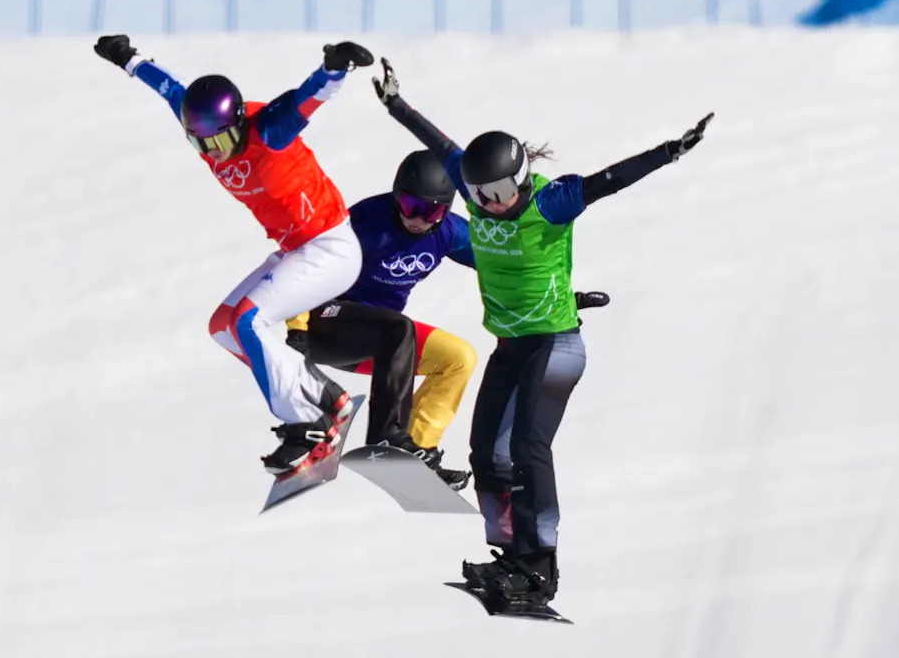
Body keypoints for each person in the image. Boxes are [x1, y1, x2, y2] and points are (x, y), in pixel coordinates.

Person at [371, 58, 712, 604]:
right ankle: (510, 556)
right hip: (510, 347)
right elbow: (440, 144)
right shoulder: (475, 188)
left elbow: (609, 181)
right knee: (487, 452)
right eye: (481, 195)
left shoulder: (551, 203)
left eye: (504, 190)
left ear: (523, 178)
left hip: (556, 347)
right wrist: (395, 105)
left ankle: (541, 568)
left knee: (530, 448)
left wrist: (668, 152)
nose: (494, 203)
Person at [93, 34, 375, 478]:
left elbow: (306, 99)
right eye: (199, 144)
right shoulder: (204, 128)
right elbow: (168, 86)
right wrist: (126, 58)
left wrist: (335, 66)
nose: (212, 155)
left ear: (238, 123)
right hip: (296, 249)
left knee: (249, 320)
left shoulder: (267, 131)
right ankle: (323, 398)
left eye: (219, 142)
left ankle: (309, 425)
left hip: (331, 247)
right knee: (224, 328)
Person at [285, 150, 611, 491]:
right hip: (325, 323)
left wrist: (555, 302)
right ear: (397, 197)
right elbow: (306, 265)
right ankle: (386, 438)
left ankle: (416, 450)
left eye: (433, 211)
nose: (419, 220)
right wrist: (297, 328)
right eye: (412, 207)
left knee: (458, 358)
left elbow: (507, 267)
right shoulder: (364, 222)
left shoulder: (449, 232)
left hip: (384, 344)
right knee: (399, 328)